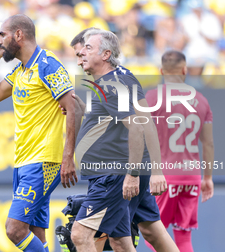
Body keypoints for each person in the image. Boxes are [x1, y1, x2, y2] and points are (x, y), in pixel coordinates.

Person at [67, 28, 179, 252]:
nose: (81, 55)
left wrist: (133, 174)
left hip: (114, 173)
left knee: (81, 235)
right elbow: (143, 121)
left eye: (87, 48)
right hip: (123, 169)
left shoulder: (109, 85)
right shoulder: (121, 76)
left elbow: (138, 126)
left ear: (106, 54)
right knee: (128, 237)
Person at [0, 14, 77, 252]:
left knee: (14, 230)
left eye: (2, 34)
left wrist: (68, 156)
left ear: (19, 35)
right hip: (23, 161)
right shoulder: (21, 71)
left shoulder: (47, 64)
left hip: (43, 160)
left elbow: (73, 107)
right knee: (36, 233)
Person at [145, 50, 214, 252]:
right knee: (183, 237)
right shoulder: (201, 100)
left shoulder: (152, 97)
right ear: (184, 70)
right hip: (192, 176)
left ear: (161, 71)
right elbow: (208, 143)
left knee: (153, 237)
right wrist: (207, 177)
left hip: (164, 176)